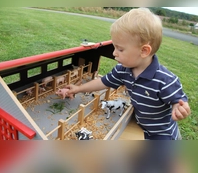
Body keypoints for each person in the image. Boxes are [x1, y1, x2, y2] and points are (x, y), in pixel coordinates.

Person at [66, 8, 191, 140]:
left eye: (120, 49)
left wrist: (179, 107)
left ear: (144, 51)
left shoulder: (165, 80)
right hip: (139, 124)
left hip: (162, 133)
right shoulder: (123, 70)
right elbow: (103, 82)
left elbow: (178, 101)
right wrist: (78, 89)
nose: (114, 53)